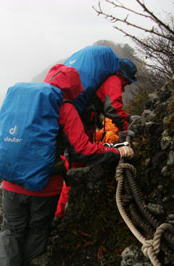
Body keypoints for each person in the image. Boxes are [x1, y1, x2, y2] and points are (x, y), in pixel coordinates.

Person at [0, 64, 134, 266]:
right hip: (44, 185)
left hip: (10, 181)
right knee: (38, 228)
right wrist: (117, 154)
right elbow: (81, 150)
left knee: (11, 229)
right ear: (74, 88)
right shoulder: (64, 107)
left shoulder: (20, 101)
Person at [54, 56, 137, 221]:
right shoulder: (114, 79)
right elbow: (113, 106)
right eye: (127, 82)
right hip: (81, 125)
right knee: (75, 169)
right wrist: (125, 129)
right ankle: (60, 215)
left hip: (84, 123)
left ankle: (63, 213)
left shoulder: (103, 80)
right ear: (123, 76)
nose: (126, 86)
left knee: (77, 165)